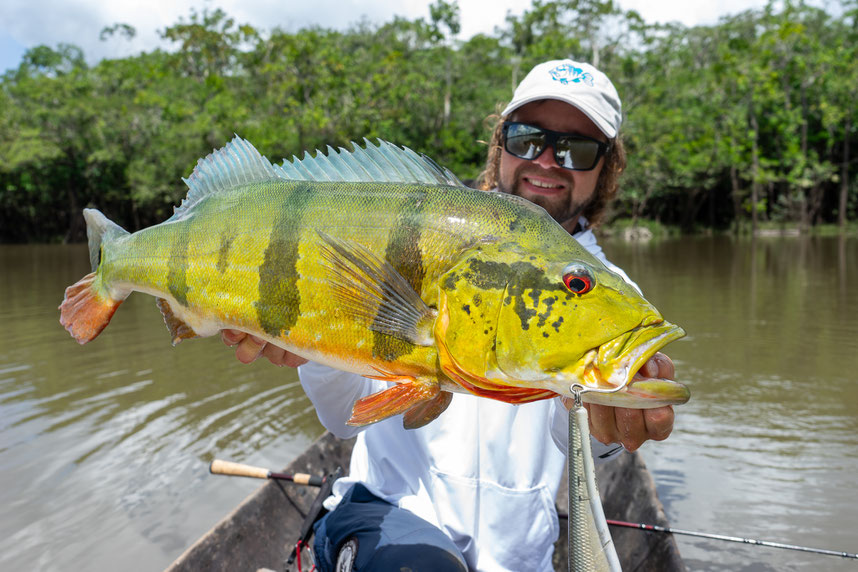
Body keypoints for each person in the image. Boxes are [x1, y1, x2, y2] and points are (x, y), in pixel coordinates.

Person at [221, 59, 676, 571]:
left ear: (606, 166)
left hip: (519, 556)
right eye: (527, 138)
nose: (547, 160)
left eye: (577, 148)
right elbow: (342, 419)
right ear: (500, 143)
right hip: (387, 513)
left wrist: (611, 424)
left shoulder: (614, 297)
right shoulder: (417, 231)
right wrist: (314, 345)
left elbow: (581, 457)